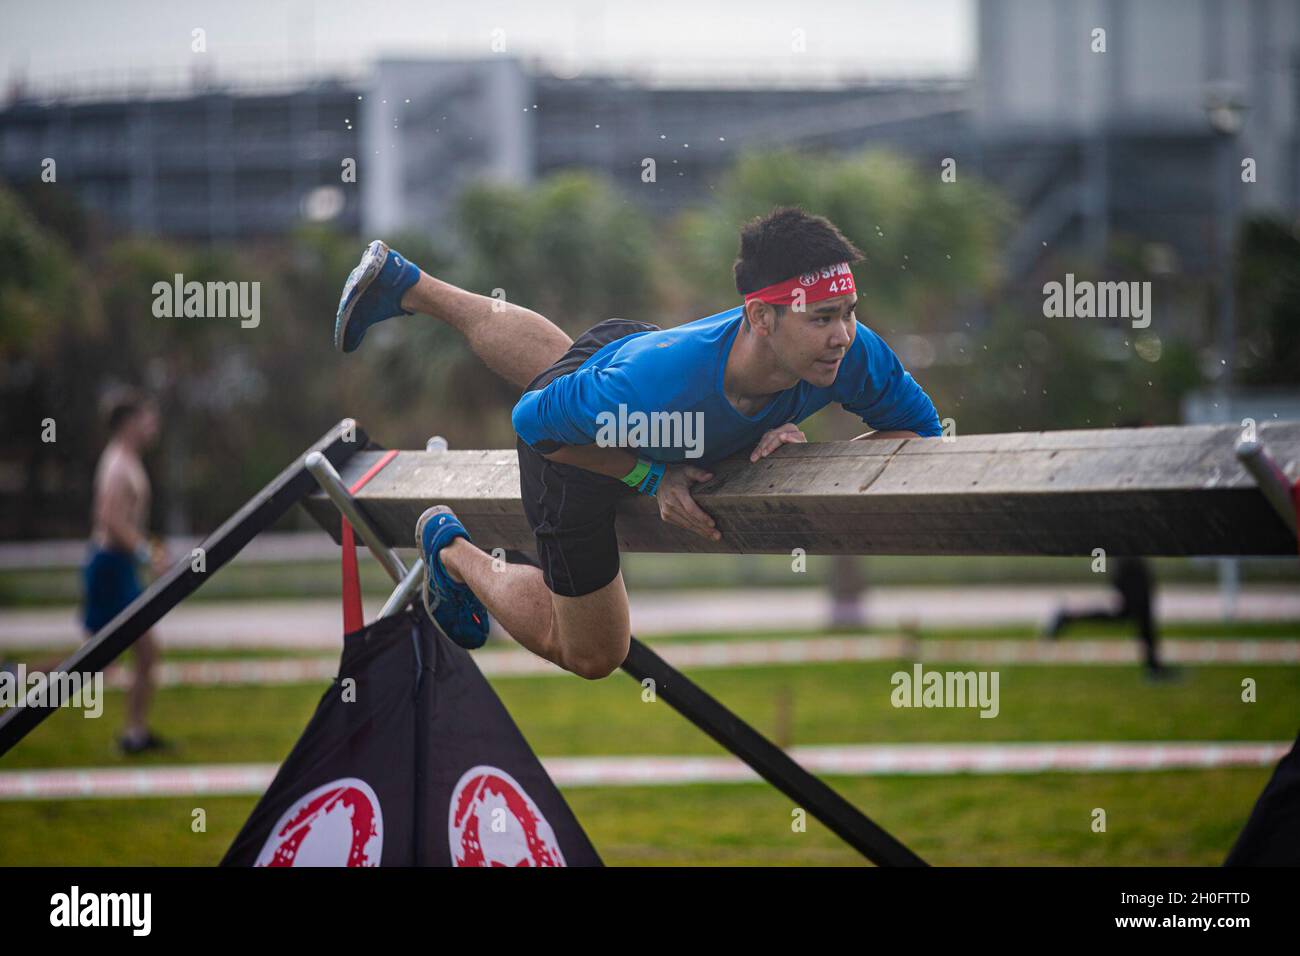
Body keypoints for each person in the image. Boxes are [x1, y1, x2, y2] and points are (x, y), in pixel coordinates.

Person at [334, 207, 941, 679]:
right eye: (822, 319)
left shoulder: (854, 355)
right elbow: (533, 423)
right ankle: (454, 554)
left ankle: (405, 284)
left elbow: (921, 432)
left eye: (849, 313)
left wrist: (808, 455)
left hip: (626, 368)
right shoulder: (658, 388)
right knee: (596, 652)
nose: (843, 336)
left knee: (578, 378)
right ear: (760, 319)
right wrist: (652, 476)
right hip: (578, 454)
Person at [84, 388, 170, 753]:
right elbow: (109, 519)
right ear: (126, 423)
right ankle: (13, 677)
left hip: (118, 567)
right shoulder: (118, 463)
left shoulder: (127, 459)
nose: (151, 425)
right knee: (94, 662)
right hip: (110, 566)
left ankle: (135, 734)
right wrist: (145, 552)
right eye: (144, 418)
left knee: (130, 655)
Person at [1043, 556, 1172, 679]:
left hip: (1129, 565)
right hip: (1130, 566)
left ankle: (1154, 667)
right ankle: (1154, 668)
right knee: (1141, 617)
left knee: (1129, 615)